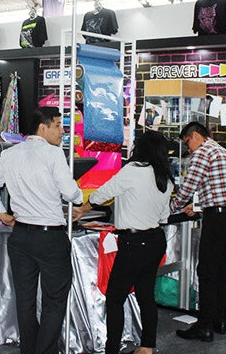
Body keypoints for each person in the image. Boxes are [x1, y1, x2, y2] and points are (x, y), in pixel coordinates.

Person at [0, 106, 83, 354]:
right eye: (58, 126)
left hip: (21, 236)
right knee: (54, 300)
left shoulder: (10, 154)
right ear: (42, 128)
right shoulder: (54, 154)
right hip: (50, 238)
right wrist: (79, 197)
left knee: (25, 301)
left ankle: (29, 349)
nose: (62, 131)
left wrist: (0, 213)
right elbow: (71, 193)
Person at [73, 131, 172, 354]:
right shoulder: (165, 177)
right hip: (155, 240)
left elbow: (103, 194)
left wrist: (83, 209)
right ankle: (147, 346)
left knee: (115, 298)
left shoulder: (133, 170)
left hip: (134, 242)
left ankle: (112, 349)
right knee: (146, 295)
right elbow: (164, 216)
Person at [171, 122, 226, 343]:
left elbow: (189, 186)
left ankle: (204, 326)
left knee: (207, 272)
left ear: (194, 136)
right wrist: (198, 206)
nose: (188, 149)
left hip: (217, 220)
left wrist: (171, 208)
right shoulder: (223, 152)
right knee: (221, 270)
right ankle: (219, 320)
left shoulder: (202, 153)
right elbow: (218, 189)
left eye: (187, 143)